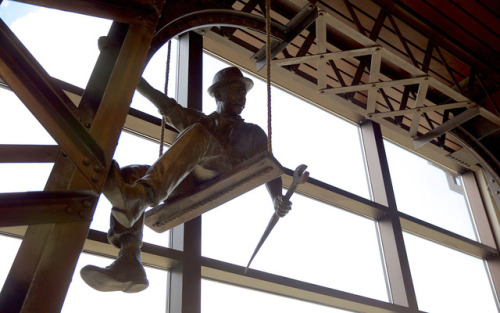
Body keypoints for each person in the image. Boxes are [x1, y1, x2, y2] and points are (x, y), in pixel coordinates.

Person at [80, 67, 291, 293]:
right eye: (236, 90)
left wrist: (277, 198)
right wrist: (136, 82)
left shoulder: (253, 133)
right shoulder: (203, 121)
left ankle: (140, 198)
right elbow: (168, 107)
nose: (242, 97)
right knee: (130, 174)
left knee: (198, 133)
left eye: (244, 93)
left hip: (224, 172)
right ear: (218, 94)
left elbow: (270, 167)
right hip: (190, 181)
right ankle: (130, 260)